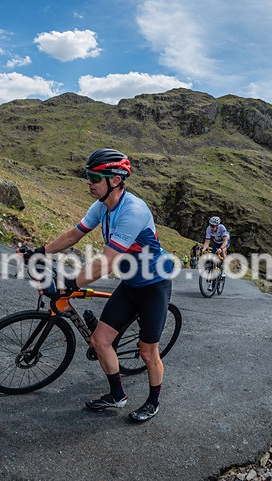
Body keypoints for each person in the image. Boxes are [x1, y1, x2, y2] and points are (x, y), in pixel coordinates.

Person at [18, 148, 173, 422]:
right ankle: (117, 395)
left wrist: (67, 283)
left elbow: (106, 262)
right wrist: (40, 250)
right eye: (86, 176)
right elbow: (73, 235)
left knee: (148, 353)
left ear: (114, 180)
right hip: (131, 283)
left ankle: (153, 400)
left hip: (154, 285)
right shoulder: (102, 206)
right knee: (99, 341)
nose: (87, 182)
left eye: (93, 177)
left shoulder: (133, 211)